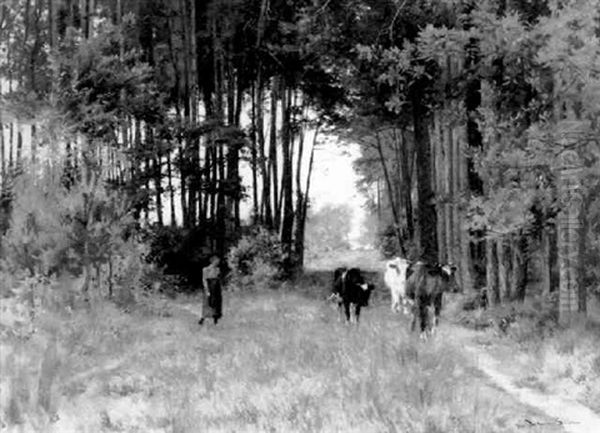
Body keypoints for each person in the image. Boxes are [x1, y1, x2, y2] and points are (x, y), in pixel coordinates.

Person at [199, 255, 223, 325]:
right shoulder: (205, 269)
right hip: (210, 286)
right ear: (213, 261)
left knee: (217, 303)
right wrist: (207, 290)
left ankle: (216, 320)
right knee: (208, 303)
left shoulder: (218, 269)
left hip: (216, 287)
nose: (218, 262)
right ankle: (202, 319)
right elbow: (204, 280)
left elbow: (219, 279)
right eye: (217, 261)